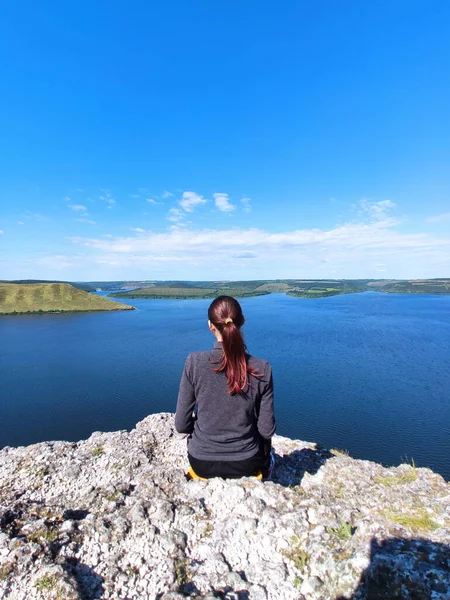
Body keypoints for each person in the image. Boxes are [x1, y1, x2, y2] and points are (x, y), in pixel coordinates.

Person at [175, 295, 276, 479]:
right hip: (246, 463)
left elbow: (181, 425)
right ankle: (267, 470)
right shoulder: (262, 368)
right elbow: (266, 430)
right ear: (242, 322)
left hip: (201, 462)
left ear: (210, 325)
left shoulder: (194, 363)